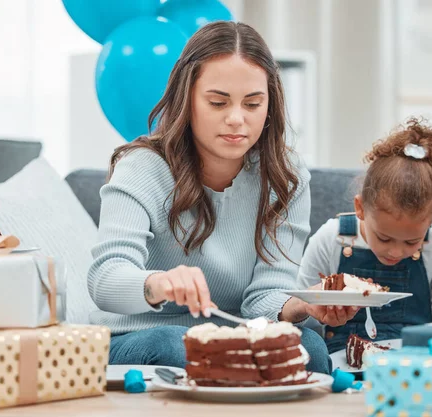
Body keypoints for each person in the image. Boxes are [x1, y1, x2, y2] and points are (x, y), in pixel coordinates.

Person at [87, 21, 336, 374]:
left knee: (308, 344)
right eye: (218, 102)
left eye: (252, 104)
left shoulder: (287, 176)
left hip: (235, 338)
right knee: (174, 347)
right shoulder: (141, 166)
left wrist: (301, 306)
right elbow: (104, 280)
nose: (236, 119)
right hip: (141, 335)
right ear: (187, 98)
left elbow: (263, 301)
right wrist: (158, 283)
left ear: (270, 104)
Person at [298, 118, 432, 353]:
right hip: (339, 360)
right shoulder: (331, 238)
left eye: (412, 242)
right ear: (360, 208)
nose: (395, 252)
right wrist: (319, 311)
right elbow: (303, 314)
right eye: (384, 238)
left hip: (416, 362)